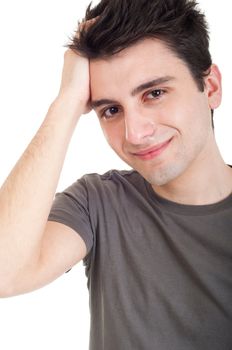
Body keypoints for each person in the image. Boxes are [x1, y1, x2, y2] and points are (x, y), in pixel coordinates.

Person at [0, 0, 231, 349]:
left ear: (210, 87)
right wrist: (68, 101)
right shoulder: (97, 203)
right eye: (111, 109)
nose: (134, 133)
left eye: (154, 93)